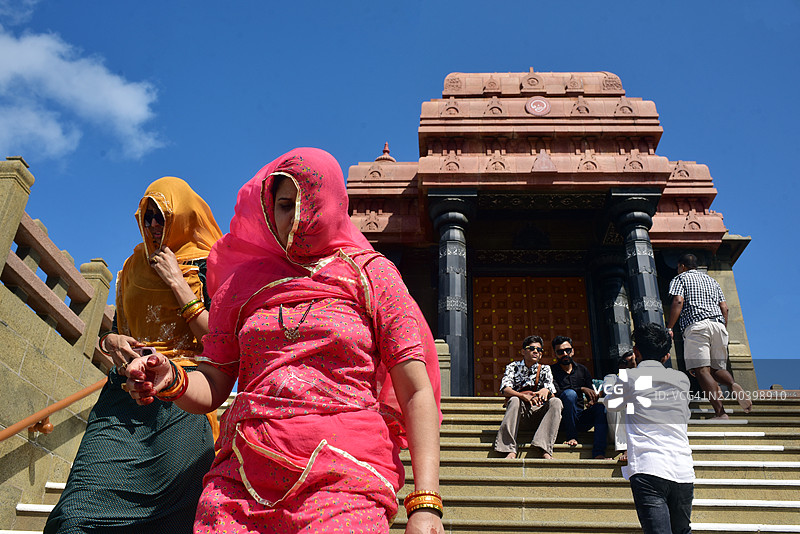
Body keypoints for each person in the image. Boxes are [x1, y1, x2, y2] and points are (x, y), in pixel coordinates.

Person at [124, 148, 445, 534]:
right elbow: (213, 384)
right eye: (282, 205)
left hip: (346, 475)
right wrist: (171, 379)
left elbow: (414, 390)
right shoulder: (241, 285)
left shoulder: (373, 276)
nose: (293, 216)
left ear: (331, 201)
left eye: (305, 201)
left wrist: (425, 504)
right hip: (242, 476)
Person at [45, 177, 223, 534]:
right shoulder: (129, 269)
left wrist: (177, 282)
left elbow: (221, 343)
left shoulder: (210, 267)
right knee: (76, 515)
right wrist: (111, 343)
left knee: (173, 520)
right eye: (148, 217)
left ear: (184, 216)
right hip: (124, 398)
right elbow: (119, 331)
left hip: (183, 398)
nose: (154, 225)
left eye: (163, 216)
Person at [605, 323, 694, 534]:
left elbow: (611, 403)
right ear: (666, 355)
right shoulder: (681, 380)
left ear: (636, 352)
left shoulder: (630, 378)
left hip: (649, 467)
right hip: (682, 468)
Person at [666, 253, 751, 418]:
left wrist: (669, 327)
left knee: (702, 370)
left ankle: (720, 413)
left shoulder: (681, 278)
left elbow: (678, 301)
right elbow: (725, 307)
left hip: (697, 326)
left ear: (682, 266)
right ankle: (733, 384)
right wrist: (722, 327)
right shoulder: (712, 281)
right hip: (718, 325)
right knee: (715, 369)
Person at [494, 335, 562, 459]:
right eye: (531, 348)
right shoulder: (512, 367)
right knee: (514, 400)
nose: (536, 351)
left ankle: (544, 447)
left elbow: (551, 390)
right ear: (523, 351)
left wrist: (545, 390)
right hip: (520, 414)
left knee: (556, 402)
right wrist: (523, 396)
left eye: (539, 350)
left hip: (539, 413)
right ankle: (509, 448)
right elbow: (505, 389)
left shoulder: (545, 369)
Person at [550, 335, 608, 459]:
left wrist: (593, 400)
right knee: (569, 394)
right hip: (562, 420)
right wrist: (580, 389)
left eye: (568, 350)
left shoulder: (582, 370)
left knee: (600, 409)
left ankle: (599, 453)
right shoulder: (551, 371)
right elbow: (556, 393)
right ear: (555, 354)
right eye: (560, 352)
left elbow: (591, 392)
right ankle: (571, 437)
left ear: (573, 351)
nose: (565, 354)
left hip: (580, 418)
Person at [601, 350, 636, 462]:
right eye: (630, 362)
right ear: (621, 365)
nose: (633, 365)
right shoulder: (611, 377)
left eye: (635, 361)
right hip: (614, 427)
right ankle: (626, 448)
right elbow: (609, 391)